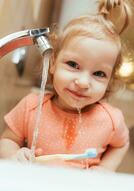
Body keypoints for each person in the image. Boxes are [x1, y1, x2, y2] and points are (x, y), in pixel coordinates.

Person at [0, 0, 132, 171]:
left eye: (99, 74)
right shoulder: (31, 107)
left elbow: (121, 144)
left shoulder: (111, 120)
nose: (83, 83)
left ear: (110, 81)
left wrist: (106, 168)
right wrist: (13, 154)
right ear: (53, 62)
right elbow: (8, 140)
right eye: (73, 65)